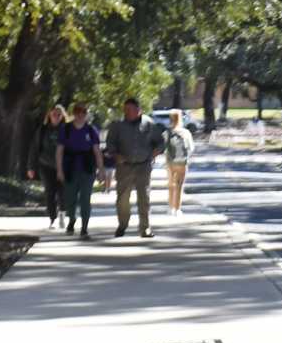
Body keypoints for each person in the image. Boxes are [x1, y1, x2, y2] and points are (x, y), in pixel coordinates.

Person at [103, 97, 167, 238]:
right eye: (126, 110)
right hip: (124, 167)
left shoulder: (149, 124)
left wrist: (157, 151)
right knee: (123, 199)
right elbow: (110, 145)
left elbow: (161, 142)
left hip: (143, 166)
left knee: (144, 197)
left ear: (139, 110)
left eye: (131, 110)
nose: (128, 112)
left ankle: (145, 228)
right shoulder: (118, 126)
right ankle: (123, 224)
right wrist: (116, 155)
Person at [61, 102, 102, 239]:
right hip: (70, 168)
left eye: (83, 112)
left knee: (85, 199)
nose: (80, 114)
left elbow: (97, 151)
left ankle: (84, 227)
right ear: (73, 113)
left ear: (86, 114)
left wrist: (101, 169)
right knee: (70, 198)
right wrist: (59, 170)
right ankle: (71, 220)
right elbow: (59, 151)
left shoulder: (91, 130)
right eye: (77, 111)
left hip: (87, 168)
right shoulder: (66, 129)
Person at [29, 104, 68, 226]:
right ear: (49, 115)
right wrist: (30, 167)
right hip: (45, 165)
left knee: (63, 193)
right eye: (54, 114)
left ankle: (62, 215)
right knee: (49, 192)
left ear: (62, 116)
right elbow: (34, 149)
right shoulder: (43, 130)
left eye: (59, 114)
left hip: (64, 166)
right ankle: (52, 217)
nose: (56, 116)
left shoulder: (68, 130)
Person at [163, 110, 196, 213]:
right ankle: (178, 209)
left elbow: (163, 148)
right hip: (182, 162)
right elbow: (191, 148)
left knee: (171, 184)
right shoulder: (185, 132)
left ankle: (170, 208)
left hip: (170, 162)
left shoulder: (167, 132)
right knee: (179, 185)